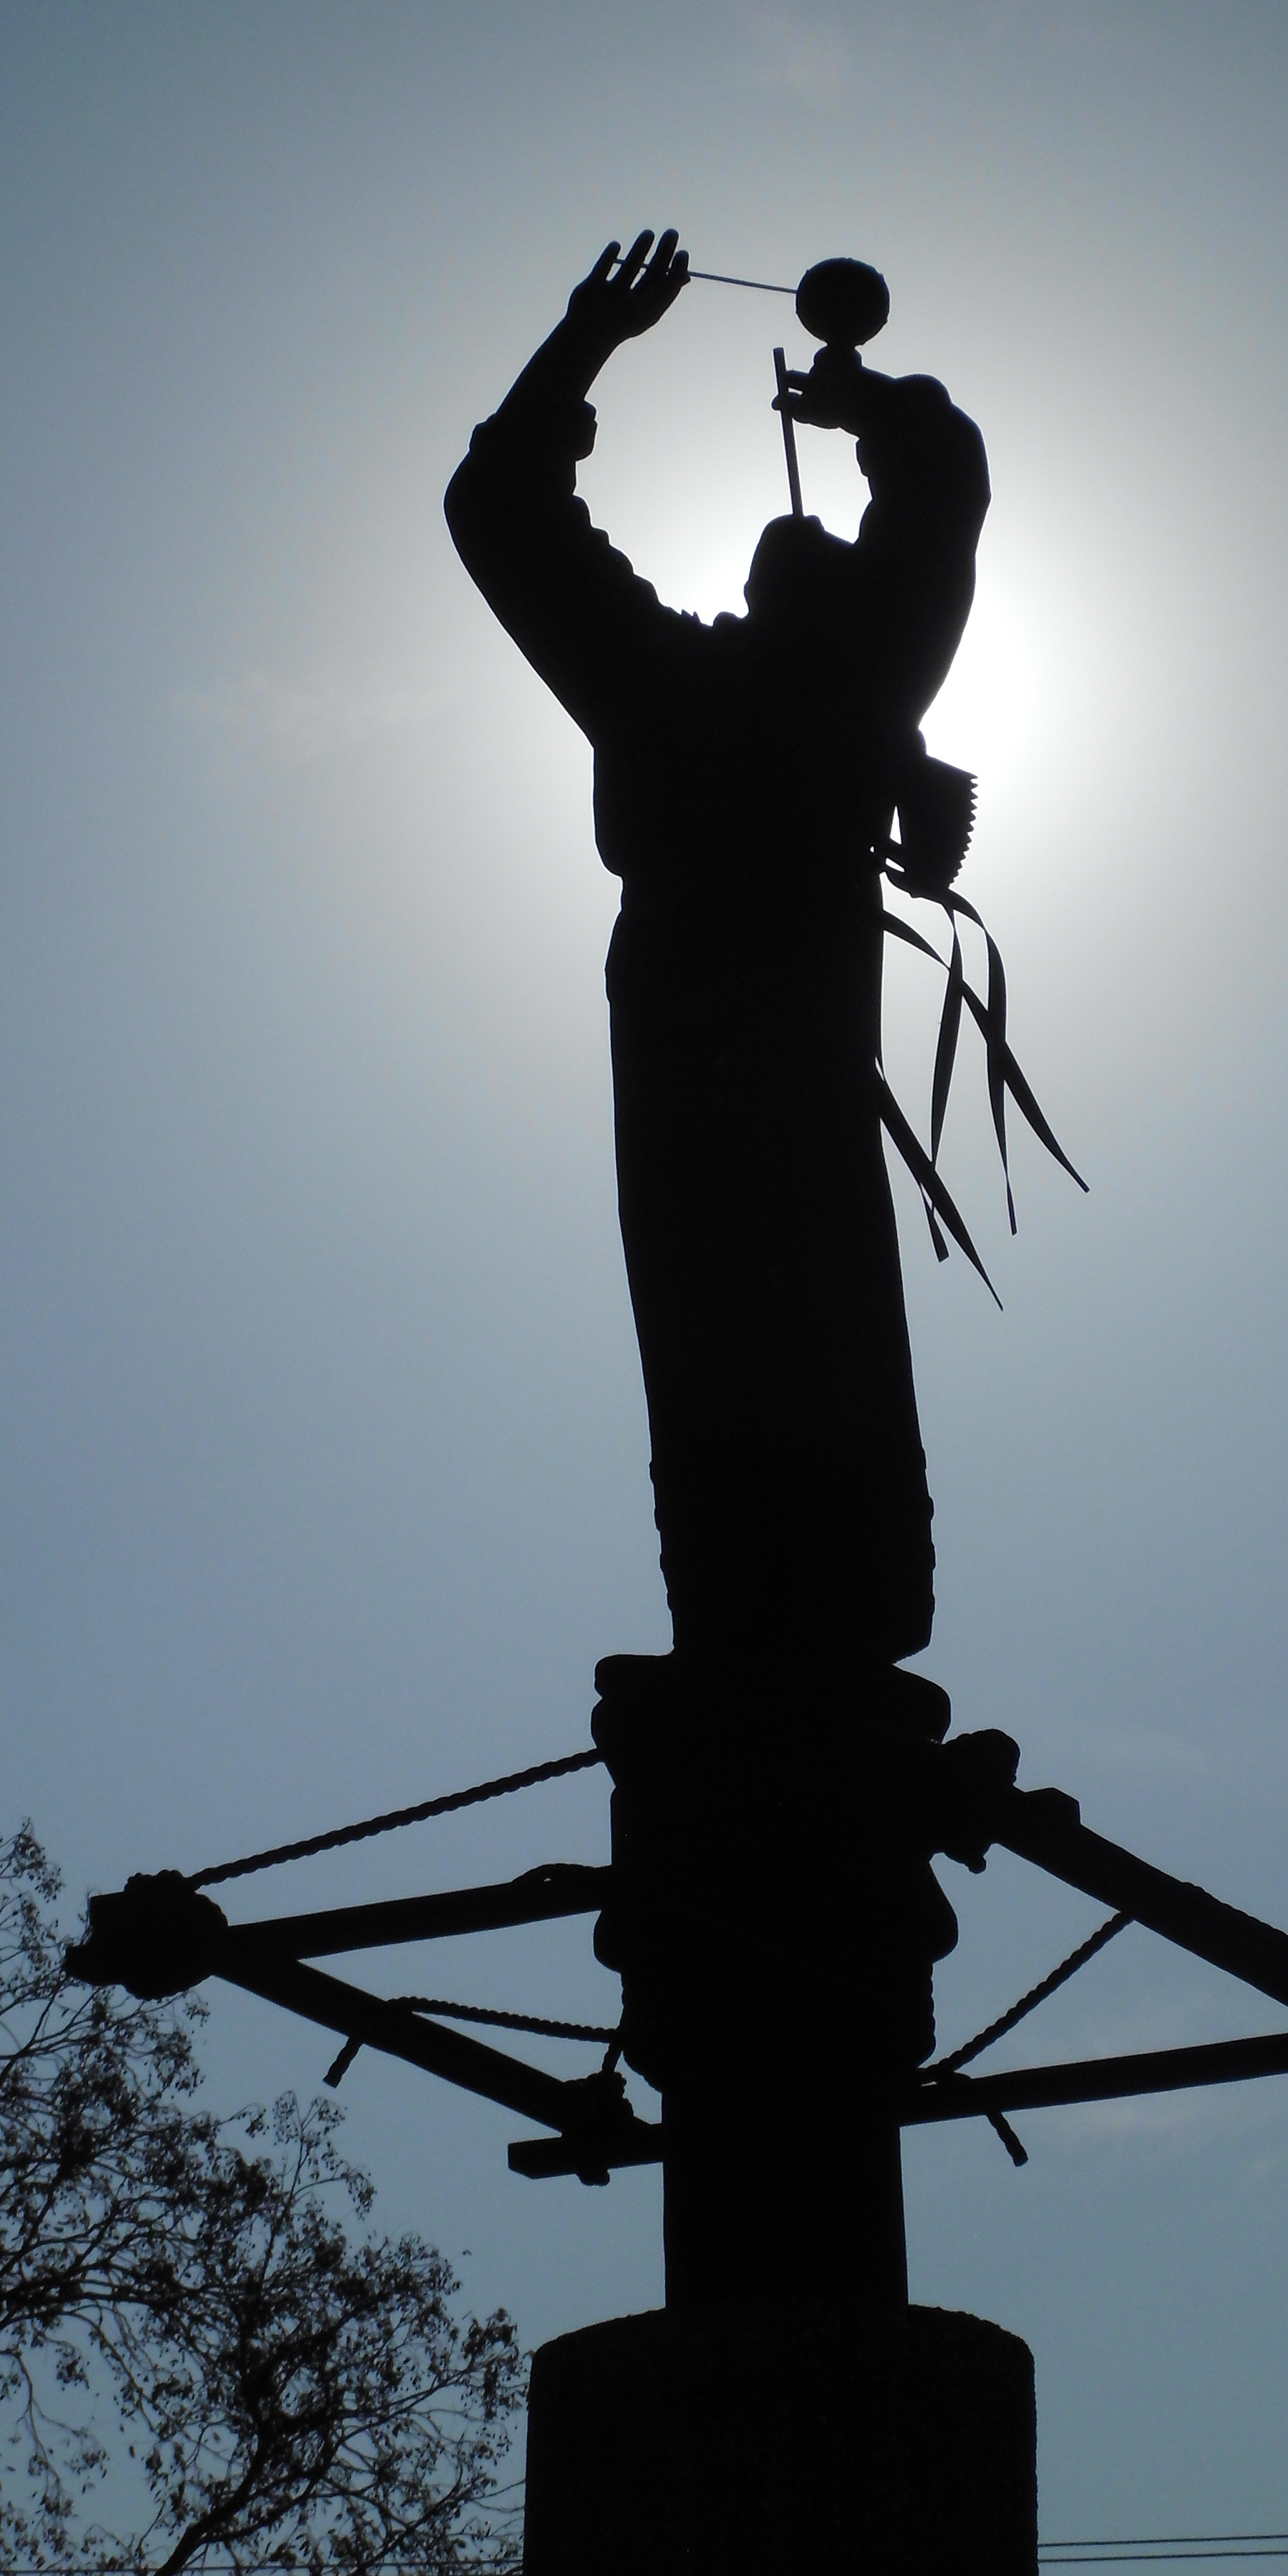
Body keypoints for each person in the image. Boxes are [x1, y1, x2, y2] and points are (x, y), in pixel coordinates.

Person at [446, 228, 991, 1675]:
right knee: (726, 1300)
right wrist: (591, 346)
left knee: (758, 1297)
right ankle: (771, 1617)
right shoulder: (778, 679)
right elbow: (502, 510)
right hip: (721, 1034)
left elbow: (505, 510)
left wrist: (856, 403)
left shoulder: (719, 685)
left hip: (718, 1029)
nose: (809, 547)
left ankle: (799, 1611)